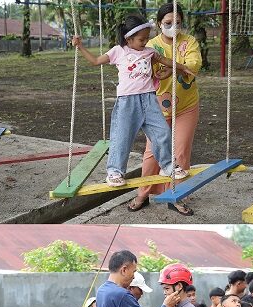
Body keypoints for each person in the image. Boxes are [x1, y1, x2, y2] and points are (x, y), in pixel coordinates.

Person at [72, 16, 192, 188]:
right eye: (141, 39)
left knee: (163, 132)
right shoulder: (118, 51)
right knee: (122, 136)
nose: (145, 42)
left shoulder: (149, 52)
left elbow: (165, 61)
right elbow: (95, 61)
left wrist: (182, 67)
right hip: (127, 102)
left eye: (146, 38)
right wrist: (80, 46)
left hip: (150, 99)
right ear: (128, 38)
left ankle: (168, 166)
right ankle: (115, 172)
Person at [129, 3, 202, 215]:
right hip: (157, 108)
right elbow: (140, 70)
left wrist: (169, 69)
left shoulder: (189, 42)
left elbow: (194, 64)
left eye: (177, 23)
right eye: (168, 23)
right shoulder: (149, 45)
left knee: (180, 152)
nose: (173, 26)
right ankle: (143, 193)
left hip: (186, 105)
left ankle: (176, 196)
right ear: (160, 23)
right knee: (152, 153)